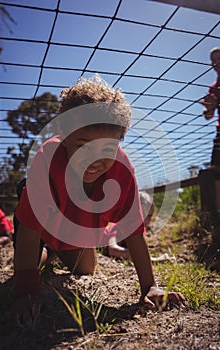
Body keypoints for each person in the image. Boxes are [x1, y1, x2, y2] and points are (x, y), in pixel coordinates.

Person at [13, 76, 185, 327]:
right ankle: (42, 248)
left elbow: (134, 233)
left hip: (75, 224)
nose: (93, 159)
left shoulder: (122, 171)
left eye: (106, 149)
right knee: (31, 260)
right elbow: (30, 227)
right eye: (83, 145)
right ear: (63, 135)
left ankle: (52, 252)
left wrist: (150, 287)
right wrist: (25, 291)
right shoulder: (47, 159)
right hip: (40, 222)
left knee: (85, 269)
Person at [200, 47, 220, 166]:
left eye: (219, 58)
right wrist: (209, 107)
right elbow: (208, 116)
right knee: (216, 172)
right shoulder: (213, 88)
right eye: (213, 60)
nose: (216, 62)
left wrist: (217, 102)